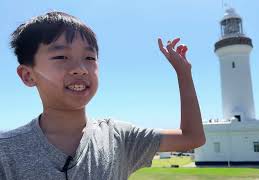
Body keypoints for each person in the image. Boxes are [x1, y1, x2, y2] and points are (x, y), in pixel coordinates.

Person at [0, 11, 205, 180]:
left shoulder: (119, 136)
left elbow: (192, 137)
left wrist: (184, 74)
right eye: (61, 56)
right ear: (27, 75)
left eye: (90, 58)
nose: (80, 69)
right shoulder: (6, 149)